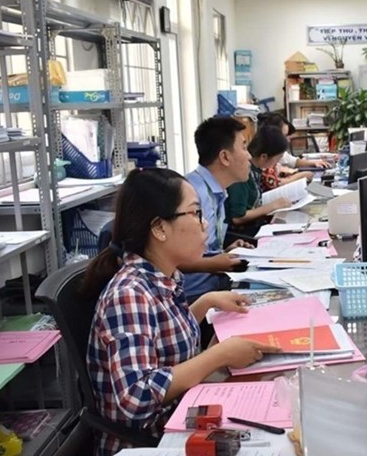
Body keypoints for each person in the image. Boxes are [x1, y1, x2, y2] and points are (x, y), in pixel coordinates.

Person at [84, 168, 281, 456]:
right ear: (159, 228)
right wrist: (220, 355)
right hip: (153, 443)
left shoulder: (160, 277)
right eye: (195, 213)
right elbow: (136, 397)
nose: (205, 224)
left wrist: (206, 302)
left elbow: (163, 338)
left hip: (182, 416)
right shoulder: (129, 294)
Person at [181, 117, 255, 300]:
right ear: (224, 157)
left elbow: (201, 250)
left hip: (215, 286)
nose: (249, 156)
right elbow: (173, 259)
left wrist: (226, 252)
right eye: (244, 147)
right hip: (195, 297)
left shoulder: (216, 190)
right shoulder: (192, 194)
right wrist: (215, 263)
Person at [225, 125, 293, 236]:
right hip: (242, 233)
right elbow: (238, 217)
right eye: (277, 158)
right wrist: (272, 206)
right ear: (263, 157)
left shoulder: (256, 170)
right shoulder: (242, 173)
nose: (277, 163)